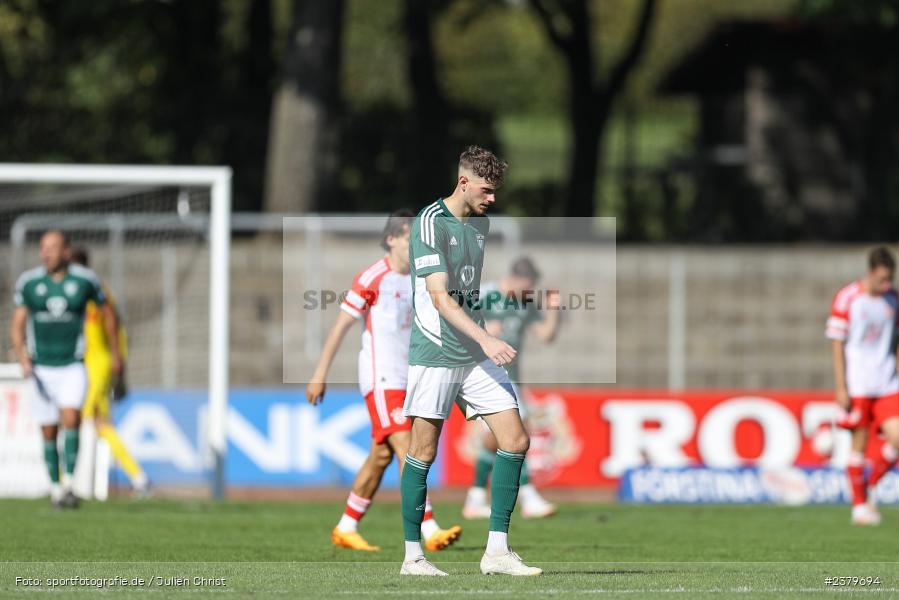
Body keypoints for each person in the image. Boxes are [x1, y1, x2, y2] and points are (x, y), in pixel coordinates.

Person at [399, 145, 542, 577]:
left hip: (474, 352)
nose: (492, 198)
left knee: (515, 440)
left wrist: (482, 334)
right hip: (435, 353)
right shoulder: (428, 222)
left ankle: (497, 552)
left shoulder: (480, 224)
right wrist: (486, 336)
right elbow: (440, 297)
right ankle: (413, 558)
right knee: (423, 449)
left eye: (496, 190)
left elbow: (467, 291)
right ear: (463, 181)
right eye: (486, 189)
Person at [306, 210, 461, 552]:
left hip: (412, 378)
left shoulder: (424, 277)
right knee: (409, 449)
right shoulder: (372, 278)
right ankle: (430, 527)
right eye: (410, 238)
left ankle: (346, 526)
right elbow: (340, 327)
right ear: (391, 239)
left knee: (381, 456)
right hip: (382, 378)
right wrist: (319, 374)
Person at [10, 231, 122, 508]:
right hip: (41, 368)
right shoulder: (30, 282)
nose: (47, 253)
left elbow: (108, 314)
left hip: (73, 364)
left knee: (71, 418)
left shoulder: (84, 280)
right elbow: (17, 324)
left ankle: (70, 483)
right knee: (49, 431)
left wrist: (115, 352)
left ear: (66, 251)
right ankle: (56, 489)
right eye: (43, 248)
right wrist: (23, 356)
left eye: (53, 247)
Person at [463, 257, 560, 520]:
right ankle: (528, 497)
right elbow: (455, 320)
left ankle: (475, 498)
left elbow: (546, 336)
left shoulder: (525, 302)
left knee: (496, 439)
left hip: (511, 378)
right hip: (483, 375)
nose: (528, 291)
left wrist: (552, 310)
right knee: (518, 430)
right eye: (526, 285)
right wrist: (483, 329)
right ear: (515, 278)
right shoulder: (484, 295)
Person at [826, 246, 899, 525]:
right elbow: (837, 343)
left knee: (897, 438)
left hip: (887, 382)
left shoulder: (892, 299)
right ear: (869, 273)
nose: (887, 284)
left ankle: (869, 485)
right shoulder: (848, 298)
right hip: (858, 383)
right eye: (882, 279)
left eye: (890, 278)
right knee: (859, 443)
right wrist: (841, 386)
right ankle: (859, 507)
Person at [68, 246, 149, 496]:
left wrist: (118, 358)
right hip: (84, 364)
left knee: (80, 417)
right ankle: (138, 478)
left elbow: (116, 325)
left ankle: (66, 482)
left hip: (99, 364)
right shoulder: (72, 291)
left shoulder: (96, 289)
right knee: (101, 424)